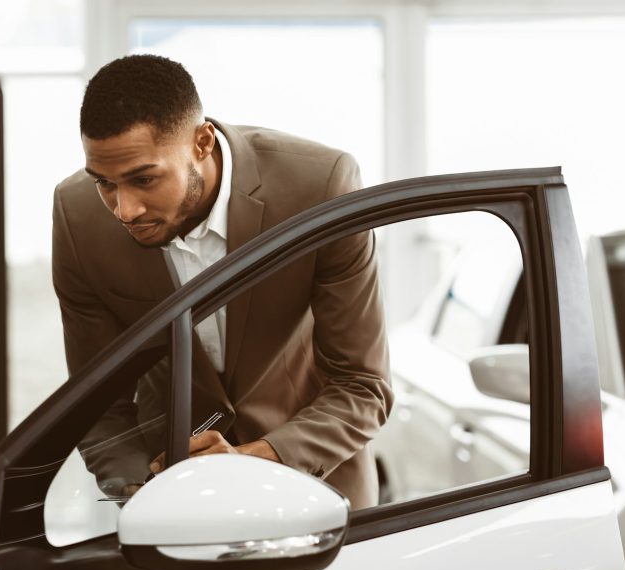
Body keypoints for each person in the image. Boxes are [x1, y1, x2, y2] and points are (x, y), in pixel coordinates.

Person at [51, 54, 393, 509]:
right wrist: (146, 493)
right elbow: (96, 406)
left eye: (144, 179)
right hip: (169, 506)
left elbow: (362, 384)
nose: (124, 209)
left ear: (202, 142)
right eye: (105, 183)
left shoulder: (322, 188)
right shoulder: (78, 217)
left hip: (318, 491)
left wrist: (253, 462)